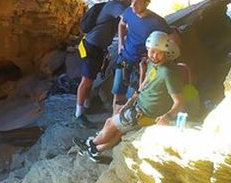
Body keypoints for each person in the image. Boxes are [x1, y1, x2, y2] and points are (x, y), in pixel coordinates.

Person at [76, 31, 185, 162]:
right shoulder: (153, 64)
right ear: (148, 49)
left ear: (166, 52)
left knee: (110, 123)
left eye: (159, 52)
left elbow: (179, 102)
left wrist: (167, 116)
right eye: (152, 51)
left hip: (145, 113)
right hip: (140, 105)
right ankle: (95, 152)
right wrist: (134, 96)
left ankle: (90, 145)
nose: (154, 55)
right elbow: (146, 84)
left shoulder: (168, 72)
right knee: (117, 132)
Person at [74, 0, 134, 127]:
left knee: (91, 77)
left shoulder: (113, 6)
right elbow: (129, 18)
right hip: (91, 47)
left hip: (96, 47)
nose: (131, 2)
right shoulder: (115, 5)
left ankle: (86, 106)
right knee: (87, 80)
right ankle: (79, 114)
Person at [111, 0, 175, 115]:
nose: (133, 5)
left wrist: (160, 57)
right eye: (132, 1)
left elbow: (172, 36)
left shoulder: (157, 21)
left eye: (137, 2)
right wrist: (120, 43)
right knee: (118, 91)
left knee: (133, 94)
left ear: (146, 3)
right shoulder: (129, 11)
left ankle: (125, 123)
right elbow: (122, 23)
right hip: (124, 57)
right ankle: (114, 118)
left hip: (141, 63)